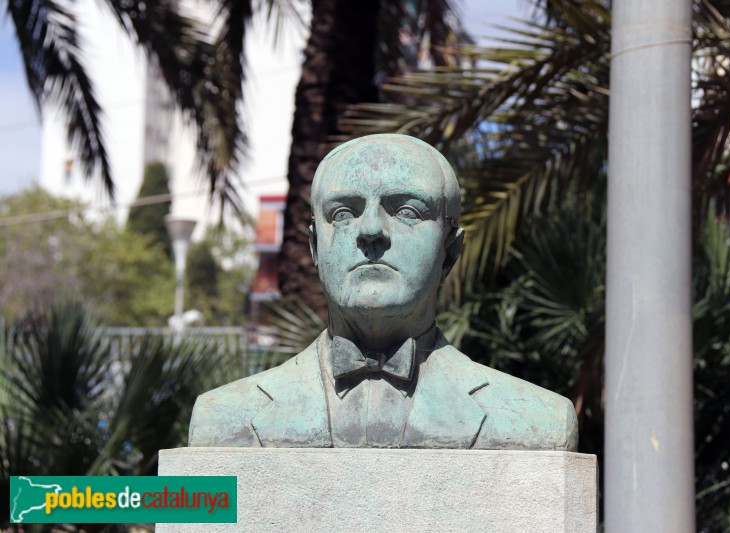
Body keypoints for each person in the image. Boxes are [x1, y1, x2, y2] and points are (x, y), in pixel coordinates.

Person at [189, 134, 578, 450]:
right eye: (343, 213)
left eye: (407, 210)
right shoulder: (221, 418)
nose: (371, 230)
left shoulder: (539, 424)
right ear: (314, 249)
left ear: (450, 252)